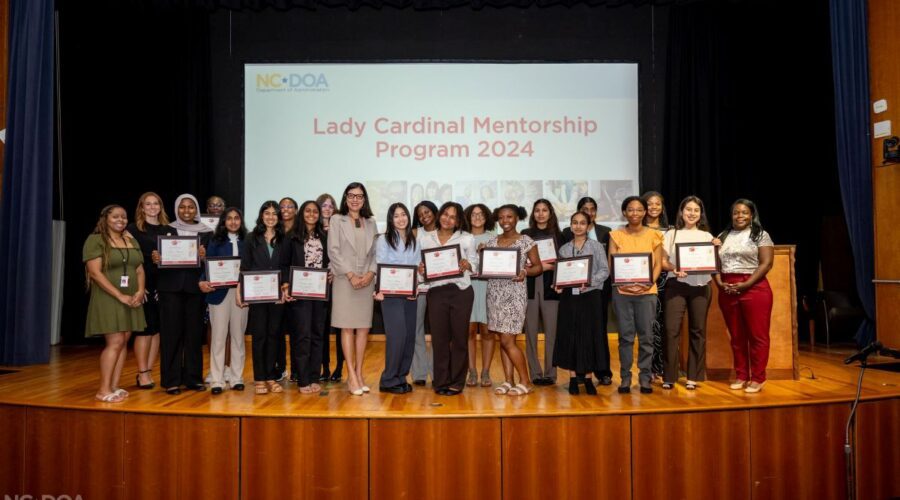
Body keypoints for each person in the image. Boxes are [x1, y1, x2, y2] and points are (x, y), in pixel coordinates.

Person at [84, 205, 146, 402]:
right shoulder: (96, 240)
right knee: (115, 341)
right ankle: (103, 390)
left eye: (124, 217)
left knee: (124, 341)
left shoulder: (130, 239)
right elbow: (95, 273)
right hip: (109, 296)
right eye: (116, 216)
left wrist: (139, 291)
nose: (121, 220)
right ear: (105, 219)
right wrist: (119, 295)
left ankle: (114, 385)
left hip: (131, 296)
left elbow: (139, 269)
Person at [152, 194, 212, 395]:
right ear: (176, 209)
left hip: (195, 289)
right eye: (182, 207)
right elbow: (155, 259)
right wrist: (156, 258)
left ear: (196, 210)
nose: (186, 211)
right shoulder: (165, 230)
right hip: (170, 289)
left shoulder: (207, 232)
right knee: (171, 335)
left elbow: (213, 262)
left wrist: (205, 258)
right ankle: (171, 380)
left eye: (191, 207)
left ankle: (193, 379)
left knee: (194, 335)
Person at [715, 199, 774, 394]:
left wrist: (747, 284)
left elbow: (766, 264)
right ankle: (742, 375)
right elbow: (713, 264)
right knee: (737, 337)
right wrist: (720, 284)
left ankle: (758, 377)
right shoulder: (722, 236)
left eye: (744, 212)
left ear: (751, 215)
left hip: (754, 287)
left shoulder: (760, 235)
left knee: (758, 336)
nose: (739, 216)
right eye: (736, 213)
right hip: (728, 289)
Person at [418, 202, 477, 395]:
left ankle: (457, 382)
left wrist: (468, 264)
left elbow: (475, 264)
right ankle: (441, 381)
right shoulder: (426, 238)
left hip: (461, 292)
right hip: (436, 293)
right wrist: (421, 271)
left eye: (453, 217)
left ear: (458, 221)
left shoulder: (467, 239)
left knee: (460, 338)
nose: (447, 219)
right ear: (439, 215)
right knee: (439, 340)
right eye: (445, 214)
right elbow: (421, 272)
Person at [483, 205, 541, 396]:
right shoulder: (492, 241)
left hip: (514, 295)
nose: (505, 221)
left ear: (517, 218)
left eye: (509, 217)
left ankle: (525, 381)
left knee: (508, 340)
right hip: (494, 294)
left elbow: (538, 267)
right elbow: (485, 268)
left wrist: (525, 271)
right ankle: (509, 381)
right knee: (502, 339)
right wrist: (482, 255)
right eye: (501, 217)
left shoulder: (526, 241)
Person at [608, 196, 663, 394]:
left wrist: (647, 282)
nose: (635, 213)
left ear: (645, 212)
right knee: (625, 337)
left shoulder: (654, 235)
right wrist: (626, 285)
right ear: (624, 212)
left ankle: (645, 378)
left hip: (647, 292)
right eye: (630, 209)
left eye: (639, 209)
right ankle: (625, 378)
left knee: (647, 336)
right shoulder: (615, 235)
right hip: (622, 293)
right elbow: (612, 264)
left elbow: (657, 264)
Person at [328, 182, 378, 396]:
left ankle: (359, 373)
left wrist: (369, 274)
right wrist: (350, 275)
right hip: (344, 280)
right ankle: (350, 374)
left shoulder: (371, 223)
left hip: (366, 281)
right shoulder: (336, 220)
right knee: (347, 327)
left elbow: (376, 252)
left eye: (359, 196)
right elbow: (334, 251)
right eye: (351, 195)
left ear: (364, 199)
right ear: (346, 198)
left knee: (363, 329)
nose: (355, 199)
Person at [659, 196, 715, 390]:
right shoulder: (671, 235)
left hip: (701, 286)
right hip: (677, 285)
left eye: (696, 210)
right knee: (670, 330)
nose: (691, 213)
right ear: (681, 212)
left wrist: (717, 249)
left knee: (698, 331)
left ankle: (694, 376)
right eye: (688, 209)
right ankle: (669, 376)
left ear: (700, 215)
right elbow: (663, 261)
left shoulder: (708, 237)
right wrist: (674, 269)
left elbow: (714, 263)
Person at [552, 211, 611, 395]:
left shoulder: (596, 247)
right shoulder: (564, 249)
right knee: (570, 336)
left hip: (590, 296)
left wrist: (589, 282)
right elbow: (560, 273)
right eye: (575, 223)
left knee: (589, 336)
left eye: (582, 223)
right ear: (570, 225)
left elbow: (605, 270)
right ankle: (572, 378)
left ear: (588, 225)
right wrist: (558, 285)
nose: (578, 226)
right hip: (569, 298)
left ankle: (587, 378)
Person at [282, 200, 330, 394]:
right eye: (308, 211)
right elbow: (284, 264)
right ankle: (302, 380)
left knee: (318, 335)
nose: (312, 214)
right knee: (302, 336)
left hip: (320, 293)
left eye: (315, 211)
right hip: (300, 294)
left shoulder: (325, 237)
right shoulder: (291, 237)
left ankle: (313, 376)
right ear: (302, 213)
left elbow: (329, 261)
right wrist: (286, 284)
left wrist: (331, 272)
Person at [198, 207, 248, 394]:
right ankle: (217, 380)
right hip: (218, 293)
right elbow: (208, 265)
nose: (233, 222)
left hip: (241, 293)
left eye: (237, 218)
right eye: (229, 219)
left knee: (238, 337)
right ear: (223, 222)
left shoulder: (248, 241)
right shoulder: (215, 241)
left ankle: (236, 378)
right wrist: (202, 281)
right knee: (218, 337)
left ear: (241, 221)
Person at [240, 201, 287, 395]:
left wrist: (284, 287)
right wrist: (243, 291)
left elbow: (286, 266)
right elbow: (246, 266)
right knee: (259, 336)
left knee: (274, 336)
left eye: (274, 213)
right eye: (266, 213)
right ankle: (259, 378)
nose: (270, 217)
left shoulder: (285, 238)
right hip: (257, 295)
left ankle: (270, 376)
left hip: (277, 296)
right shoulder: (251, 238)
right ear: (261, 216)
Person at [373, 203, 420, 394]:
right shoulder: (384, 240)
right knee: (397, 336)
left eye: (403, 215)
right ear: (391, 220)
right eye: (396, 216)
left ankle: (401, 376)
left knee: (409, 336)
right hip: (390, 294)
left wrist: (416, 286)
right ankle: (388, 379)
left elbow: (417, 266)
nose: (401, 219)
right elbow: (380, 265)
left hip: (409, 294)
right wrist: (379, 289)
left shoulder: (414, 240)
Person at [126, 192, 169, 390]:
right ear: (141, 208)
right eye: (148, 204)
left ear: (160, 206)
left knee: (157, 330)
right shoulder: (132, 231)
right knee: (145, 331)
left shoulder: (169, 230)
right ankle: (142, 372)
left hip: (164, 286)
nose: (152, 207)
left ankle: (149, 371)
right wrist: (137, 287)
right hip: (143, 286)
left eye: (155, 204)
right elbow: (128, 261)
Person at [521, 199, 563, 386]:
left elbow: (564, 263)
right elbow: (519, 259)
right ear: (533, 214)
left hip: (551, 287)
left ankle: (550, 373)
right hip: (528, 286)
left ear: (550, 213)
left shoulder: (560, 235)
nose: (540, 213)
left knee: (552, 333)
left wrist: (546, 267)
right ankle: (536, 373)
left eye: (544, 210)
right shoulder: (525, 234)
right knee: (530, 332)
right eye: (537, 210)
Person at [464, 203, 497, 387]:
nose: (477, 217)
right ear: (468, 217)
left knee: (487, 332)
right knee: (468, 331)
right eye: (473, 214)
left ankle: (486, 371)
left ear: (487, 218)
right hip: (467, 288)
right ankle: (472, 371)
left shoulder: (494, 239)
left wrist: (489, 253)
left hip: (487, 288)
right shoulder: (462, 238)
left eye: (481, 214)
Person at [642, 190, 670, 384]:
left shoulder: (672, 230)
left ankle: (667, 367)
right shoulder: (636, 229)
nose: (653, 207)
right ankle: (651, 367)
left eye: (657, 204)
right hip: (645, 280)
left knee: (667, 325)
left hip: (668, 282)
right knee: (650, 325)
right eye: (649, 204)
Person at [315, 193, 343, 382]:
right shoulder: (312, 229)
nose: (327, 208)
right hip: (318, 285)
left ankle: (339, 367)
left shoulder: (341, 227)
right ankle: (323, 366)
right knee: (321, 328)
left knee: (341, 328)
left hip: (339, 281)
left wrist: (334, 270)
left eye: (331, 205)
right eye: (324, 205)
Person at [410, 200, 439, 385]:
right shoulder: (414, 233)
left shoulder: (445, 231)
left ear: (435, 212)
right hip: (420, 288)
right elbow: (408, 257)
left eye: (427, 211)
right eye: (420, 214)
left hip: (439, 288)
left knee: (440, 331)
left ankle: (438, 372)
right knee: (416, 331)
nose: (424, 216)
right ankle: (419, 373)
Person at [276, 196, 299, 382]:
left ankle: (296, 370)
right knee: (277, 330)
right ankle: (280, 367)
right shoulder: (273, 230)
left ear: (296, 210)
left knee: (296, 330)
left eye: (290, 206)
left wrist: (289, 284)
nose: (286, 209)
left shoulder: (300, 231)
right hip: (275, 286)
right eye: (282, 206)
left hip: (297, 287)